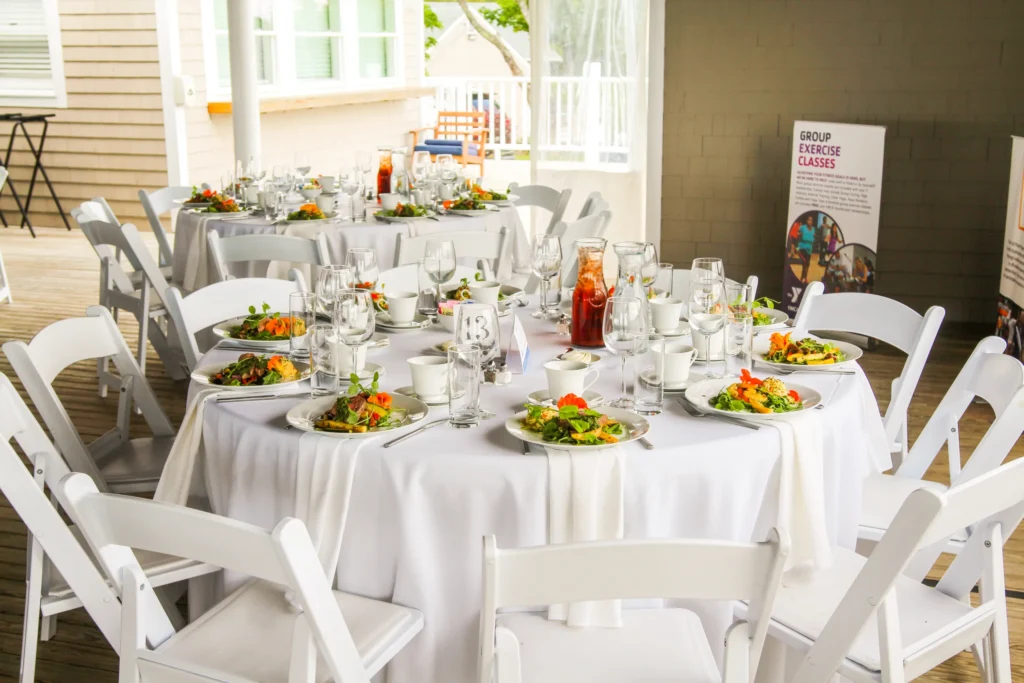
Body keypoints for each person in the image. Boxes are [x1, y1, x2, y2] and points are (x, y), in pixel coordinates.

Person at [796, 214, 815, 281]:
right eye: (809, 220)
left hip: (809, 250)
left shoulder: (813, 229)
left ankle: (803, 278)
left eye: (811, 220)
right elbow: (797, 234)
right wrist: (799, 234)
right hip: (802, 248)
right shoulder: (802, 227)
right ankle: (803, 279)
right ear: (806, 221)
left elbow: (812, 238)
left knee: (807, 265)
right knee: (805, 262)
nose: (810, 221)